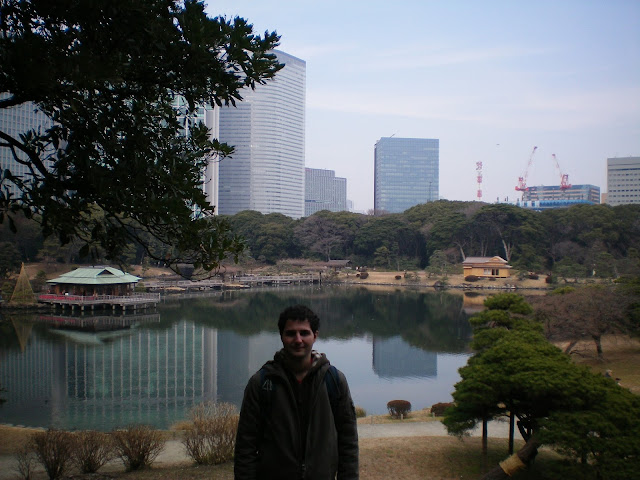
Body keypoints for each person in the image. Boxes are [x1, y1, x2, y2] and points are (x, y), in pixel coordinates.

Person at [234, 304, 359, 479]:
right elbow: (245, 446)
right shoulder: (262, 383)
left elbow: (348, 443)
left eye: (304, 333)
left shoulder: (334, 381)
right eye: (291, 333)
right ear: (282, 337)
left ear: (315, 335)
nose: (298, 340)